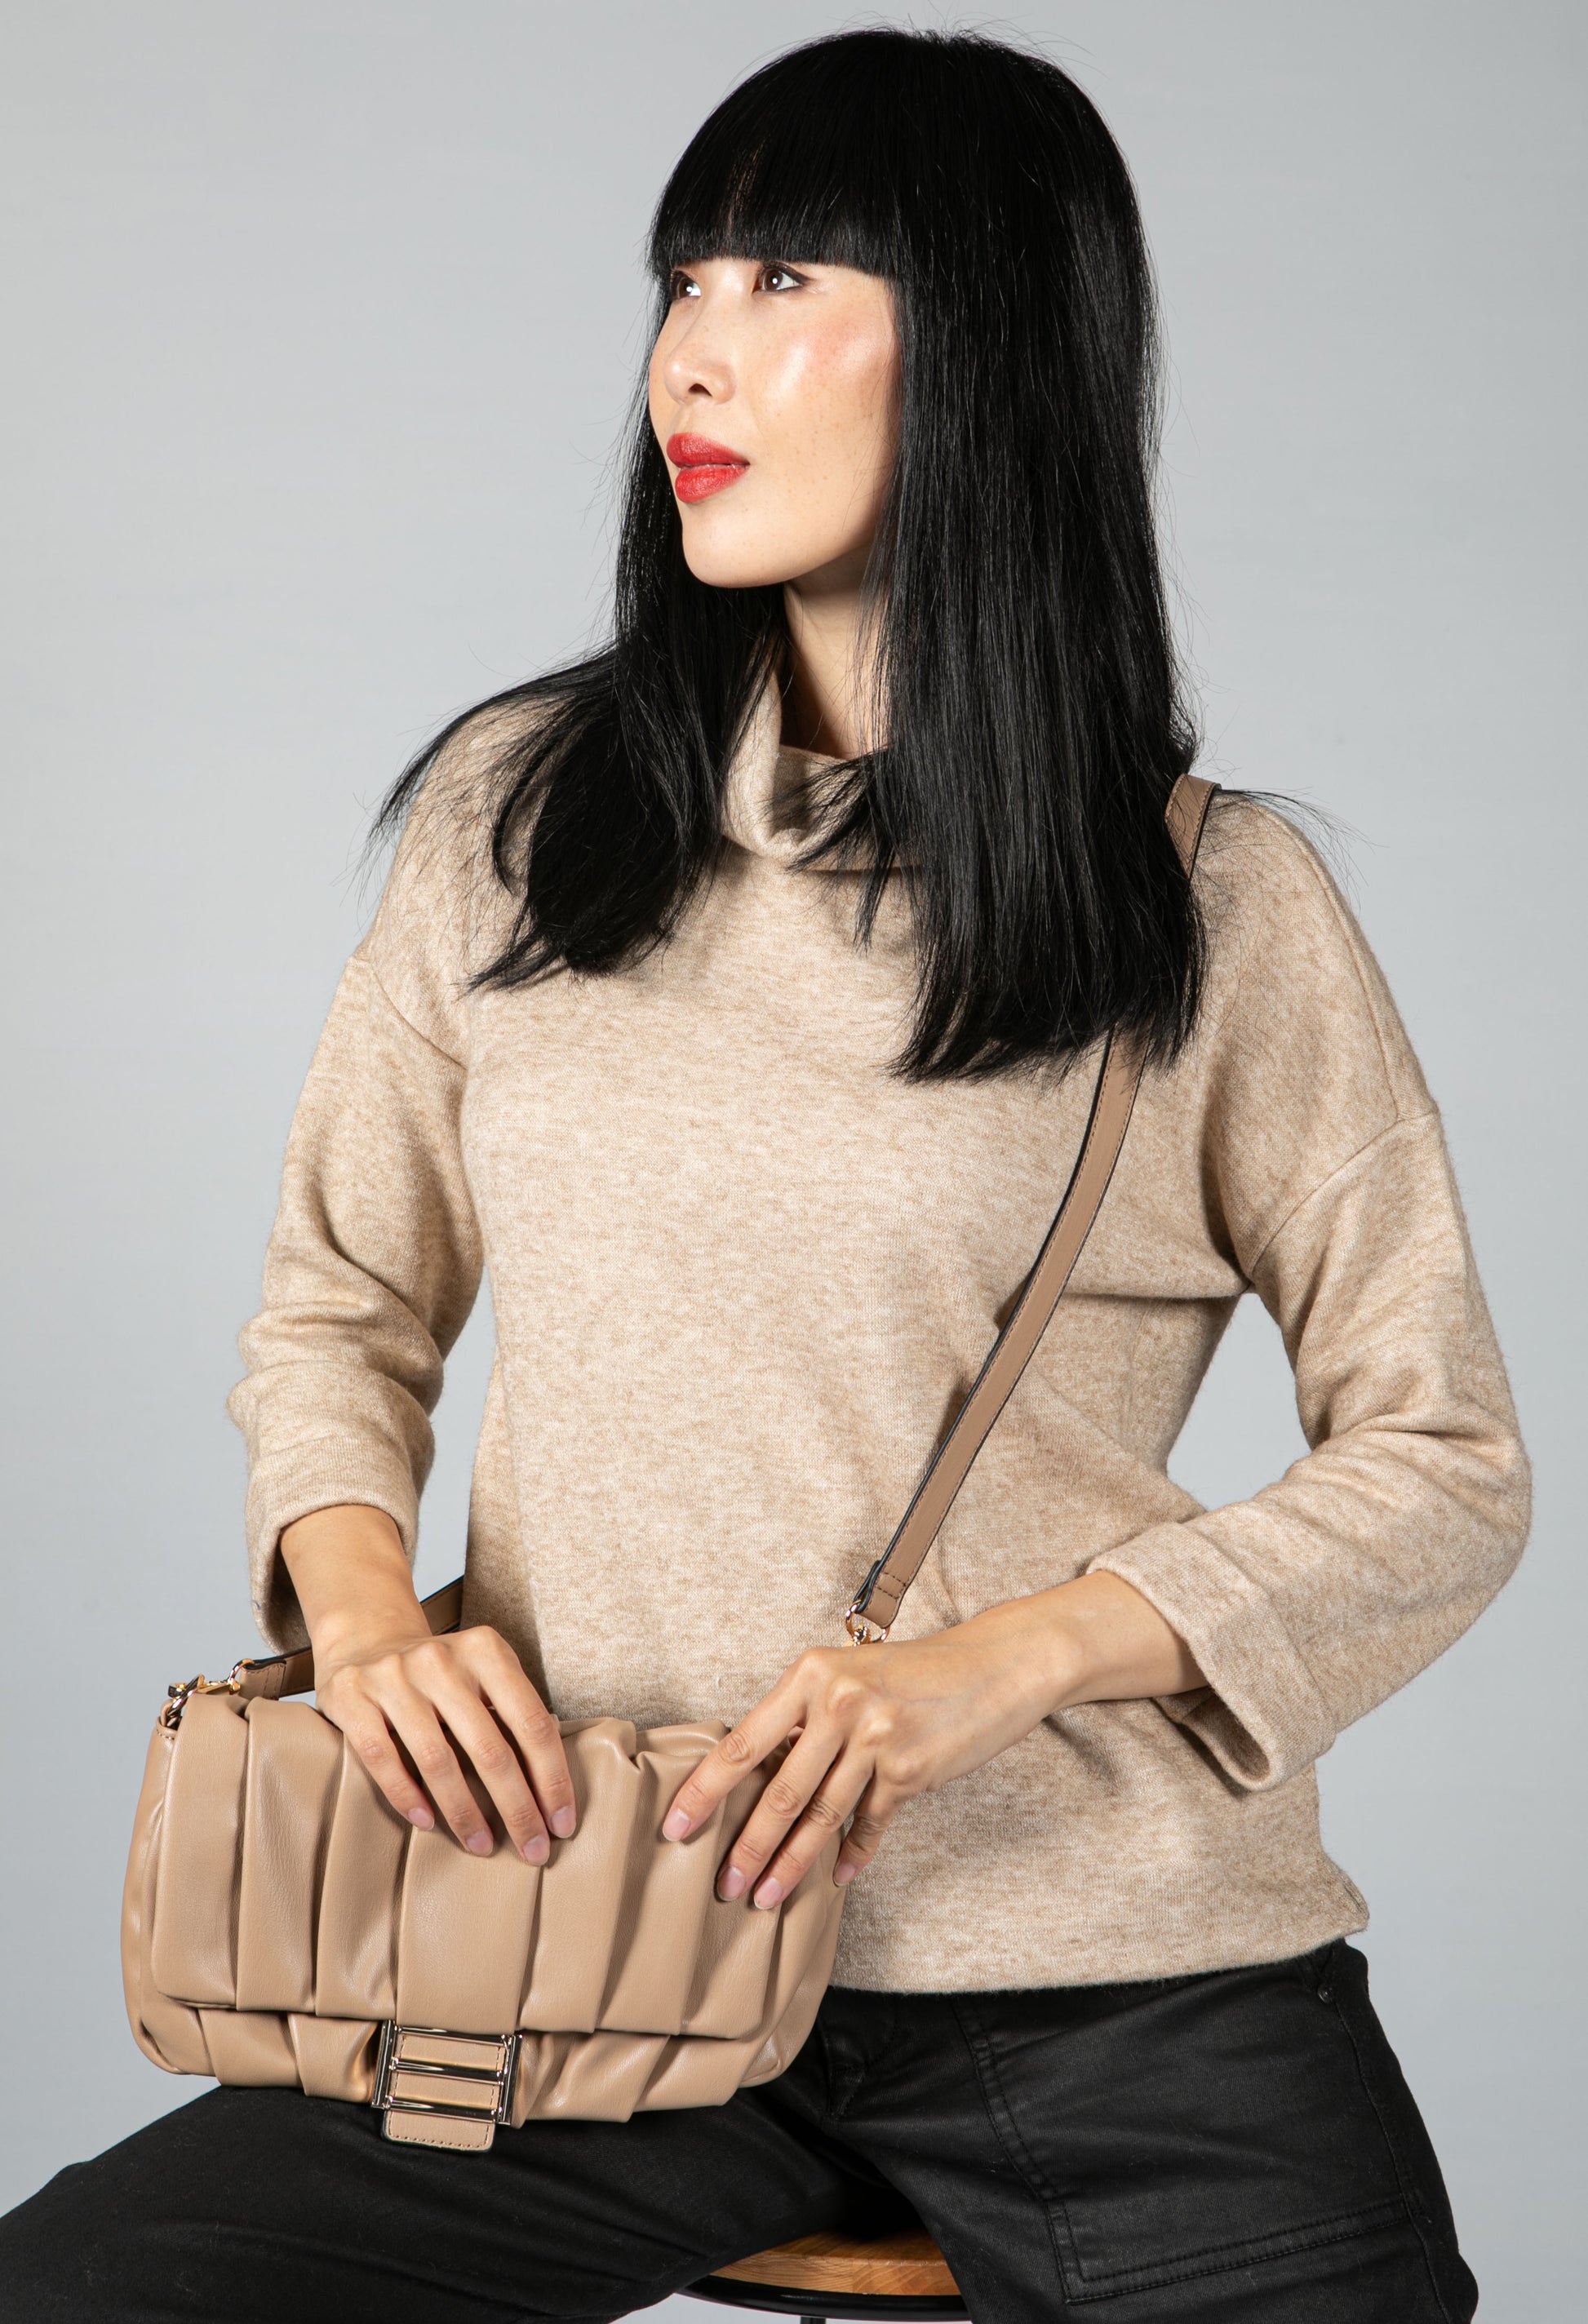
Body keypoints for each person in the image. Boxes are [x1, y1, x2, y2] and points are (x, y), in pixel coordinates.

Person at [1, 28, 1528, 2323]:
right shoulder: (520, 819)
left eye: (784, 277)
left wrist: (1003, 1666)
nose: (690, 356)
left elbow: (1443, 1464)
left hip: (1111, 1988)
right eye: (681, 283)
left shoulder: (1214, 908)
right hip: (580, 1919)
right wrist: (367, 1615)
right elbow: (338, 1304)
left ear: (992, 346)